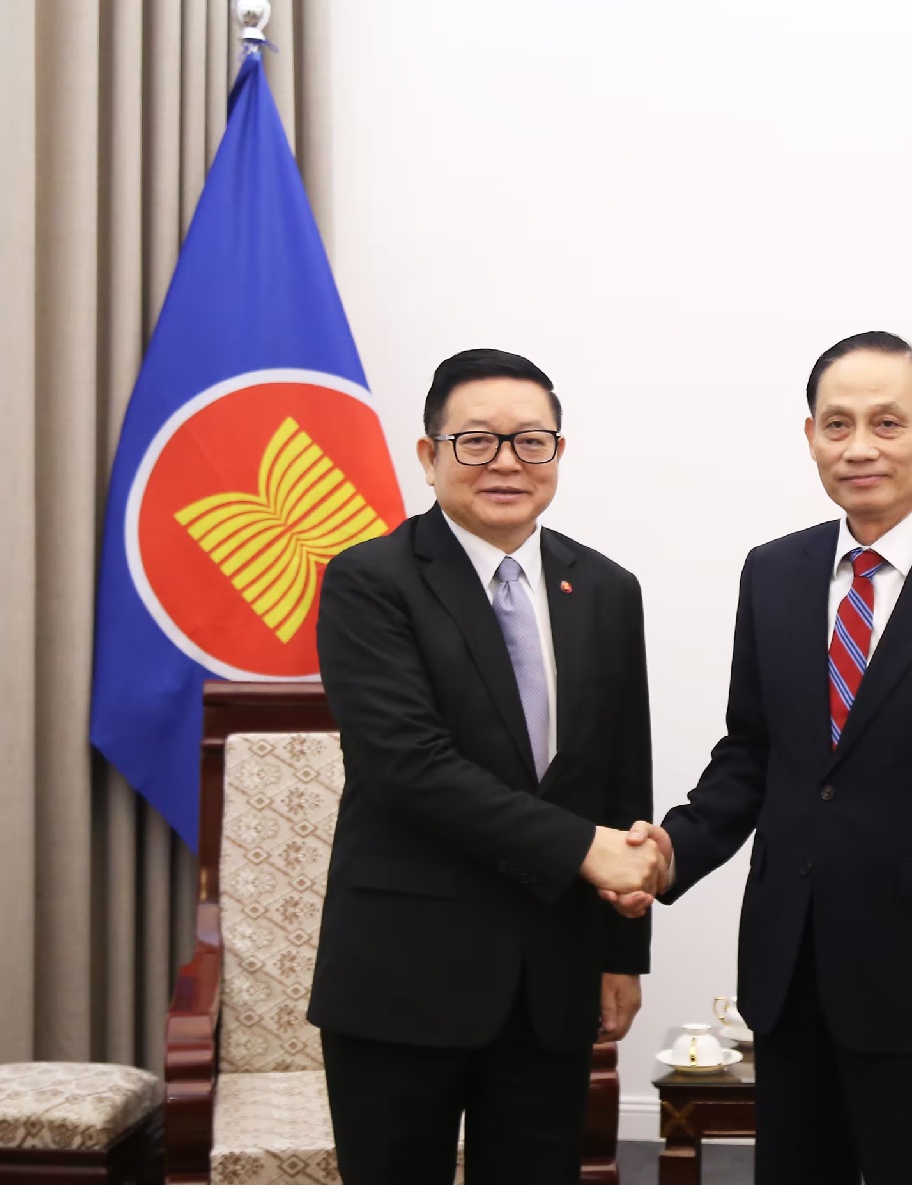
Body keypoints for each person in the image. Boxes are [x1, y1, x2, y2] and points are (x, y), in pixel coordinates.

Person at [610, 332, 912, 1183]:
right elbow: (752, 753)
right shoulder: (773, 571)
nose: (859, 446)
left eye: (887, 423)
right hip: (788, 964)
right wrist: (671, 851)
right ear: (811, 437)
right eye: (837, 424)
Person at [308, 348, 664, 1184]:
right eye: (476, 441)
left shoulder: (605, 588)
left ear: (558, 454)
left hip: (552, 981)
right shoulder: (370, 581)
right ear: (428, 455)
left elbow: (622, 774)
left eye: (531, 441)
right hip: (402, 976)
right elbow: (409, 766)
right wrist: (583, 848)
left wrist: (622, 951)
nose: (507, 462)